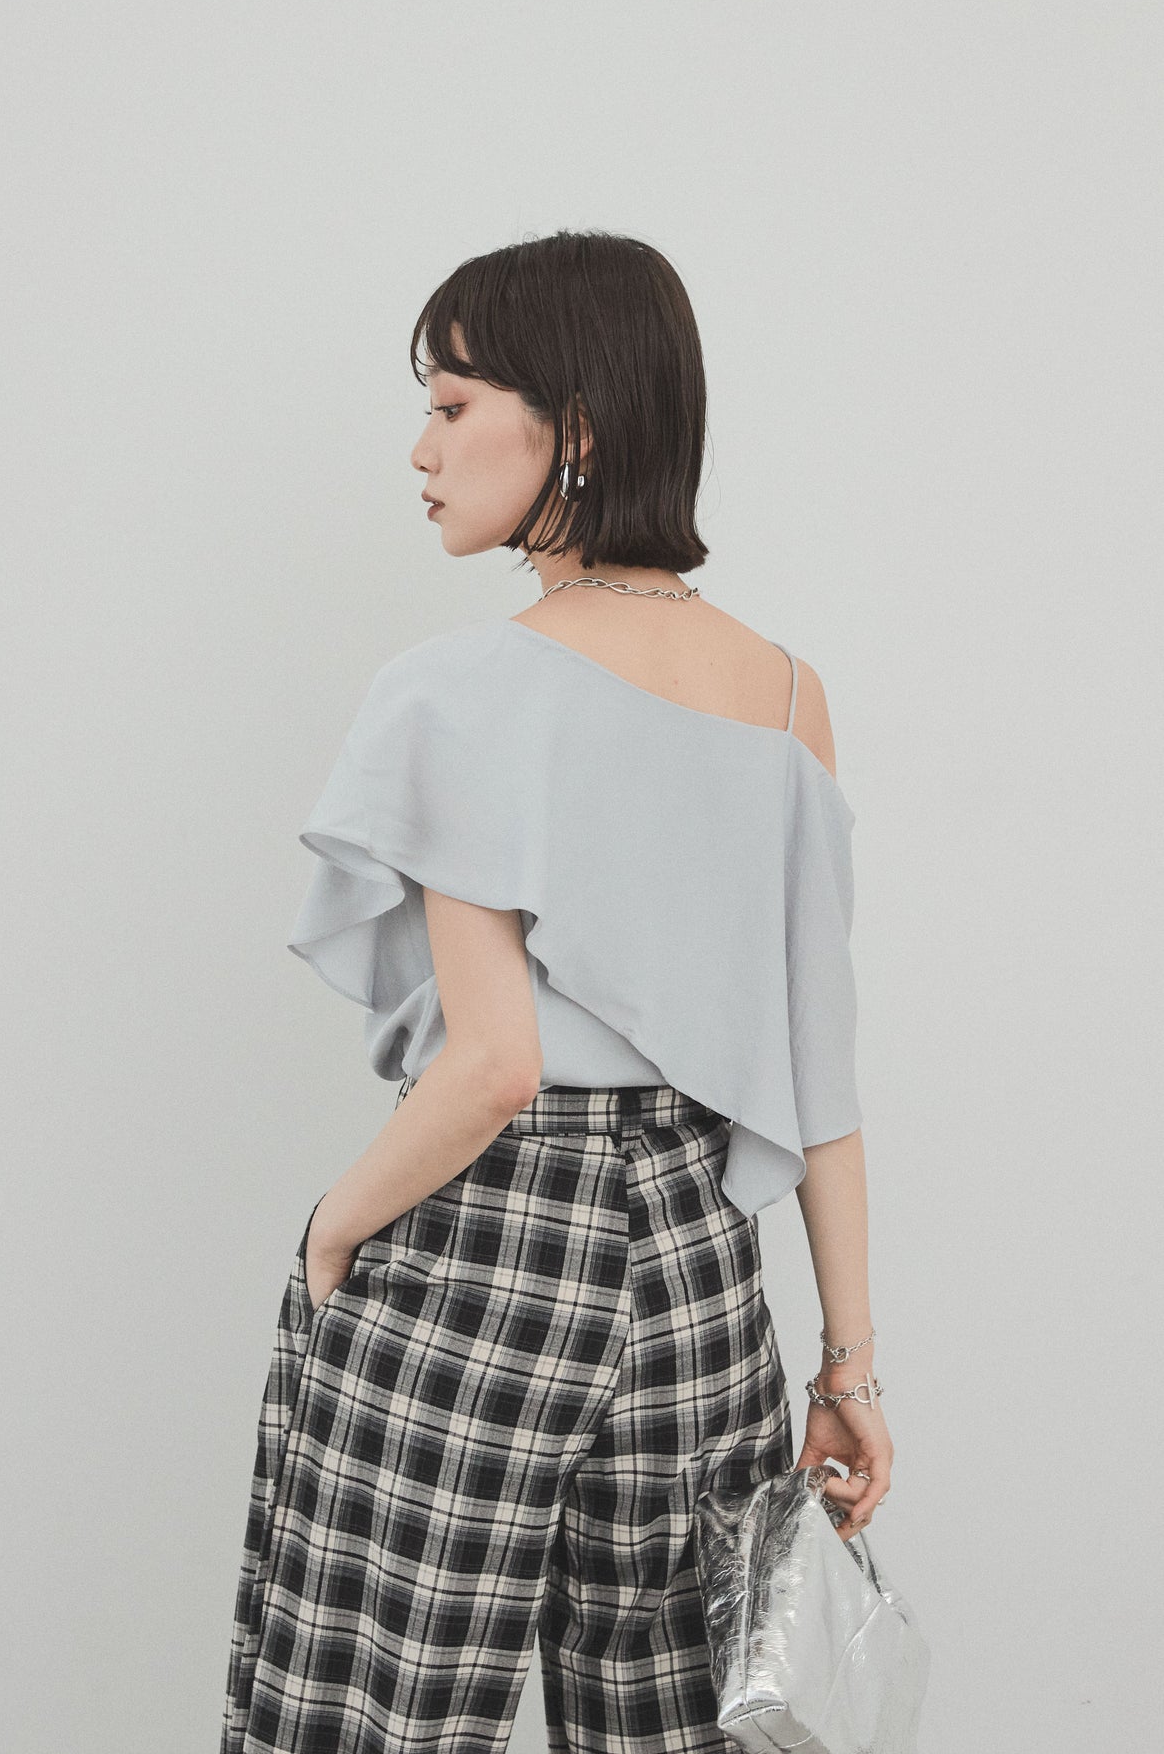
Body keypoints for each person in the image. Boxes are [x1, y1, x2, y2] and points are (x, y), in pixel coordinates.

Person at [220, 229, 893, 1753]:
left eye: (453, 404)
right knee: (673, 1723)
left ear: (573, 426)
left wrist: (330, 1233)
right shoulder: (789, 697)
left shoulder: (459, 688)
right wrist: (847, 1366)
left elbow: (491, 1068)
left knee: (372, 1711)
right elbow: (818, 1075)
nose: (421, 448)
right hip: (699, 1278)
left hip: (485, 1247)